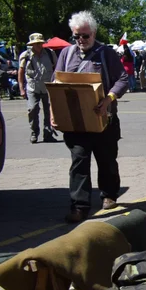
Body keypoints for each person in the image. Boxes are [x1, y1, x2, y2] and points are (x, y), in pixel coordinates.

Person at [52, 11, 129, 223]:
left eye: (85, 36)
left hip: (104, 120)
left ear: (93, 33)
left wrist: (108, 99)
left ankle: (109, 195)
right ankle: (79, 206)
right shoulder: (66, 54)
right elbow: (55, 85)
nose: (81, 40)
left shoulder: (106, 53)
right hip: (76, 123)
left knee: (106, 160)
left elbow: (123, 79)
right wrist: (54, 113)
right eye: (76, 36)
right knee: (79, 162)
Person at [17, 33, 58, 143]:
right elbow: (20, 73)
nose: (39, 45)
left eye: (40, 43)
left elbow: (57, 68)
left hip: (48, 87)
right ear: (32, 44)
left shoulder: (50, 53)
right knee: (33, 109)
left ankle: (48, 134)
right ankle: (34, 132)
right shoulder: (25, 56)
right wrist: (21, 89)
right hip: (32, 87)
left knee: (49, 111)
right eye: (36, 43)